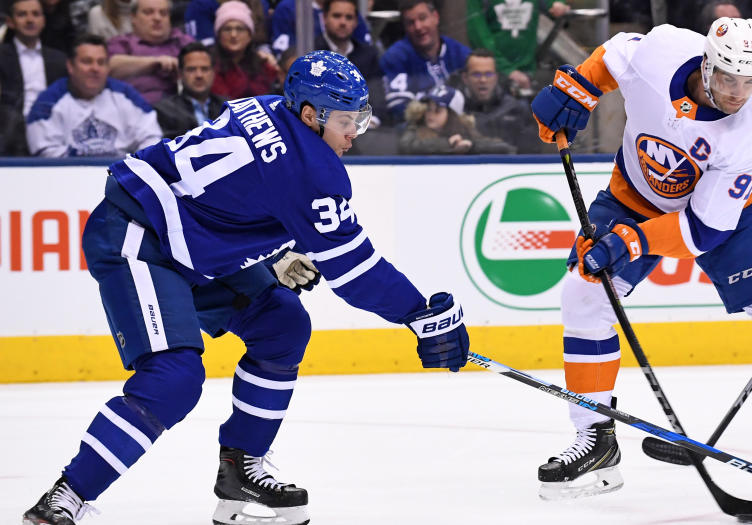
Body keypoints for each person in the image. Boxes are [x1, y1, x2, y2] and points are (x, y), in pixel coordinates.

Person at [22, 50, 470, 525]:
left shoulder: (271, 106)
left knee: (283, 325)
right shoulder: (312, 172)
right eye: (346, 120)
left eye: (360, 117)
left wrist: (277, 250)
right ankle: (66, 495)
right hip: (140, 235)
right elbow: (356, 271)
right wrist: (420, 315)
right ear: (310, 115)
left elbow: (238, 191)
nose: (355, 132)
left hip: (188, 238)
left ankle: (241, 468)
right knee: (173, 380)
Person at [529, 17, 752, 504]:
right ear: (708, 66)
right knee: (584, 295)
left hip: (725, 219)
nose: (739, 92)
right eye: (730, 78)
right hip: (632, 197)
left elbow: (703, 230)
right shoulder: (662, 50)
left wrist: (630, 243)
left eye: (750, 81)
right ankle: (595, 439)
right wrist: (580, 88)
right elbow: (611, 55)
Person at [26, 33, 162, 156]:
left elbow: (152, 138)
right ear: (70, 66)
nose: (95, 68)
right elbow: (45, 151)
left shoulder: (126, 95)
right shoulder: (48, 102)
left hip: (120, 176)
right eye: (87, 62)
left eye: (101, 62)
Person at [380, 0, 470, 123]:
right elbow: (399, 109)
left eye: (423, 18)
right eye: (411, 23)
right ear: (405, 27)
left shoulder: (460, 53)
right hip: (419, 131)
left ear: (436, 17)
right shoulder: (395, 58)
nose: (418, 27)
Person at [0, 0, 67, 155]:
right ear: (10, 22)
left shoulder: (59, 59)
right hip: (9, 129)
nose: (30, 20)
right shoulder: (1, 56)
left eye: (36, 14)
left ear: (43, 20)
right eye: (22, 14)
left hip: (51, 126)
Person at [465, 0, 568, 94]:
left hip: (527, 71)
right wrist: (507, 70)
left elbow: (554, 6)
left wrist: (558, 5)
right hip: (490, 75)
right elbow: (479, 37)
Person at [106, 0, 194, 104]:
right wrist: (156, 62)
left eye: (163, 13)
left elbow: (202, 68)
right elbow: (110, 67)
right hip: (133, 110)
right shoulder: (122, 43)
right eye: (148, 12)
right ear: (133, 17)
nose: (157, 18)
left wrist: (182, 68)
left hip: (180, 110)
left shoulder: (183, 42)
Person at [456, 48, 541, 153]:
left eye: (488, 74)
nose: (483, 80)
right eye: (476, 74)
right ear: (465, 78)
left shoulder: (514, 109)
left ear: (496, 77)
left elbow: (531, 153)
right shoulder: (454, 109)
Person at [399, 83, 515, 154]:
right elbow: (407, 146)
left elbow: (505, 149)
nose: (430, 114)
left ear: (452, 114)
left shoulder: (466, 131)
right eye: (428, 109)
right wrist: (448, 145)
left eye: (438, 110)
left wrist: (471, 146)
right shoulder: (415, 128)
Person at [153, 42, 226, 138]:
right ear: (180, 73)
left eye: (204, 69)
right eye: (191, 69)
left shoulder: (227, 107)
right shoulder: (164, 111)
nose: (199, 75)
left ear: (213, 73)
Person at [210, 1, 278, 98]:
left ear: (250, 35)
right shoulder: (209, 65)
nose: (233, 35)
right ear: (219, 35)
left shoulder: (264, 66)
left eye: (240, 29)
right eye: (227, 29)